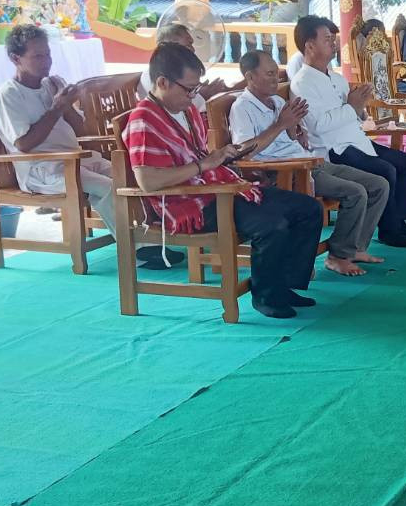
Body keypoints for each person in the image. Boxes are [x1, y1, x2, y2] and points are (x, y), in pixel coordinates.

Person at [124, 42, 322, 319]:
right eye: (189, 89)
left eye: (196, 88)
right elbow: (147, 181)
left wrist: (219, 158)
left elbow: (201, 157)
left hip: (214, 188)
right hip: (189, 205)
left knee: (307, 209)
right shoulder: (143, 120)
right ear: (162, 82)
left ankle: (282, 285)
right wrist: (204, 164)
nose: (194, 96)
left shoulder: (187, 110)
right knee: (271, 223)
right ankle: (266, 294)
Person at [0, 25, 184, 265]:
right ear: (15, 58)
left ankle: (153, 238)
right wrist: (57, 107)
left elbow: (81, 130)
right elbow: (25, 144)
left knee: (132, 178)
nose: (46, 61)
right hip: (42, 169)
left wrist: (68, 104)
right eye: (37, 56)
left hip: (77, 158)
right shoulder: (8, 96)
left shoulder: (51, 84)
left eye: (47, 54)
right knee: (111, 188)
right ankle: (140, 251)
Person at [230, 50, 388, 278]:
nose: (276, 79)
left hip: (308, 160)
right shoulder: (242, 107)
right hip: (286, 170)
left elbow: (291, 137)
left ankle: (355, 248)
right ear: (250, 77)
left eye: (277, 73)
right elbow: (243, 152)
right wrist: (280, 125)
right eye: (270, 74)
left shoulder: (276, 100)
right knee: (355, 193)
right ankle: (338, 256)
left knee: (378, 184)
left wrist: (296, 130)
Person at [289, 15, 406, 249]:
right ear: (309, 46)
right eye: (327, 39)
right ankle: (388, 230)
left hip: (356, 141)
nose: (333, 43)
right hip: (333, 149)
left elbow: (354, 114)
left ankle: (399, 221)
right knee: (386, 170)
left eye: (333, 38)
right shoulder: (302, 83)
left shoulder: (337, 79)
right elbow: (318, 126)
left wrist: (361, 107)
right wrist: (352, 106)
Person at [139, 23, 229, 107]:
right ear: (171, 46)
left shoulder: (173, 70)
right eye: (188, 45)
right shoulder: (153, 75)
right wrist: (204, 94)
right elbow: (187, 105)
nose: (193, 50)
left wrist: (200, 89)